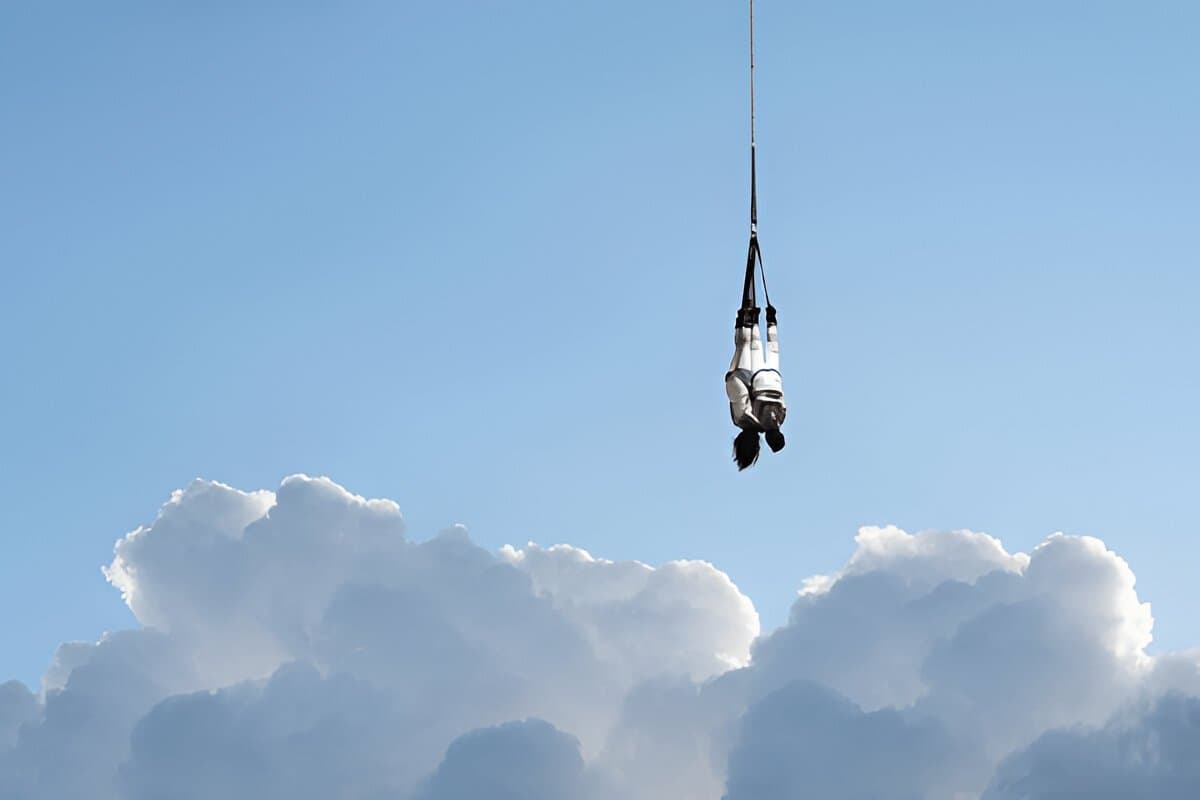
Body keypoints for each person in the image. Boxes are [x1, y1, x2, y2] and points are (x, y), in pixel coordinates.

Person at [725, 304, 786, 470]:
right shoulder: (742, 419)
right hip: (747, 377)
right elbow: (736, 389)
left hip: (764, 376)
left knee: (751, 348)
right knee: (744, 348)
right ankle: (747, 323)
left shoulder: (772, 420)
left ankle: (750, 323)